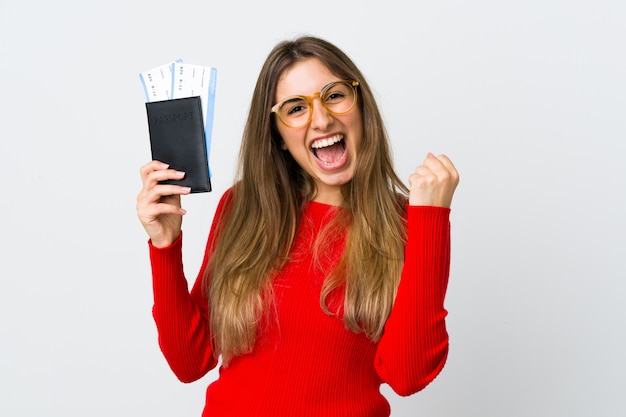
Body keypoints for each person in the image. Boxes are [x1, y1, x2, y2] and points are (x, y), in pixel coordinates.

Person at [136, 35, 459, 417]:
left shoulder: (410, 223)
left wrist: (432, 220)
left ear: (362, 108)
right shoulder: (242, 208)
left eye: (335, 96)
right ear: (279, 136)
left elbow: (409, 375)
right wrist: (165, 246)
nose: (321, 119)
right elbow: (190, 363)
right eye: (295, 108)